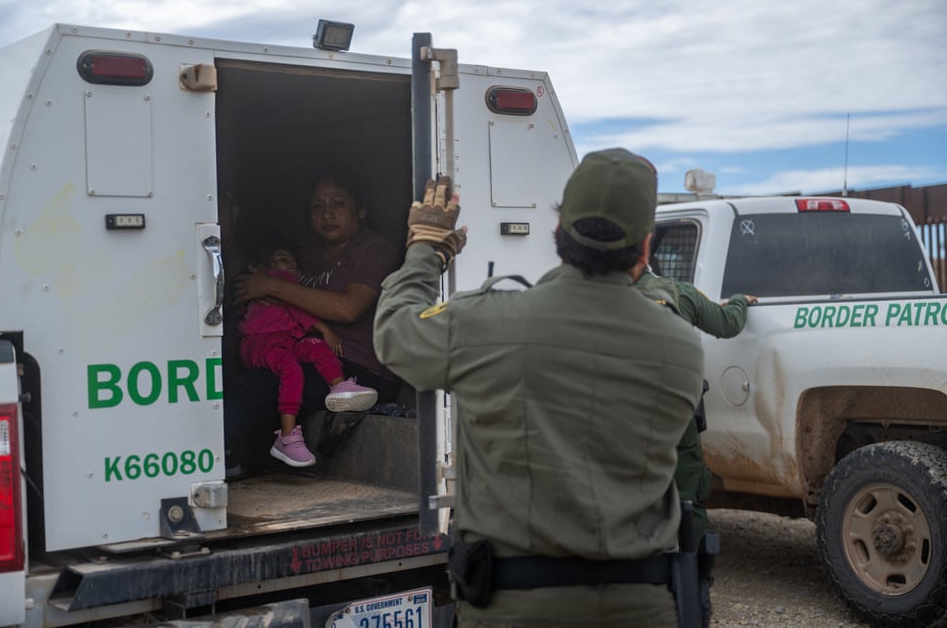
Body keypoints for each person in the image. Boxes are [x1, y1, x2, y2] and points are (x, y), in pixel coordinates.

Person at [373, 150, 705, 626]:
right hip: (643, 604)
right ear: (645, 249)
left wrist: (426, 249)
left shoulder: (486, 322)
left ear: (558, 232)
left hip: (515, 607)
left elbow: (395, 333)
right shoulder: (681, 346)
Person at [226, 173, 401, 473]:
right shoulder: (304, 256)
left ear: (360, 209)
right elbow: (258, 289)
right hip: (303, 352)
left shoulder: (373, 250)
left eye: (338, 204)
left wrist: (273, 287)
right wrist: (257, 292)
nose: (327, 214)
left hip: (359, 369)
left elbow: (348, 309)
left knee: (262, 384)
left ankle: (208, 454)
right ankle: (237, 459)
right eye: (317, 207)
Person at [632, 263, 758, 625]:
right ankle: (695, 580)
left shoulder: (606, 299)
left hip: (624, 417)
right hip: (676, 413)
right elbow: (727, 324)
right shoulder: (678, 292)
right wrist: (739, 301)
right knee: (689, 493)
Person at [238, 247, 379, 468]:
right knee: (292, 370)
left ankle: (339, 386)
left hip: (285, 342)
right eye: (282, 259)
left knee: (316, 347)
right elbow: (298, 310)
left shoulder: (288, 287)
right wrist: (324, 328)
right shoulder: (275, 281)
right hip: (262, 342)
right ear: (265, 269)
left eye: (293, 260)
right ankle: (287, 436)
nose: (290, 264)